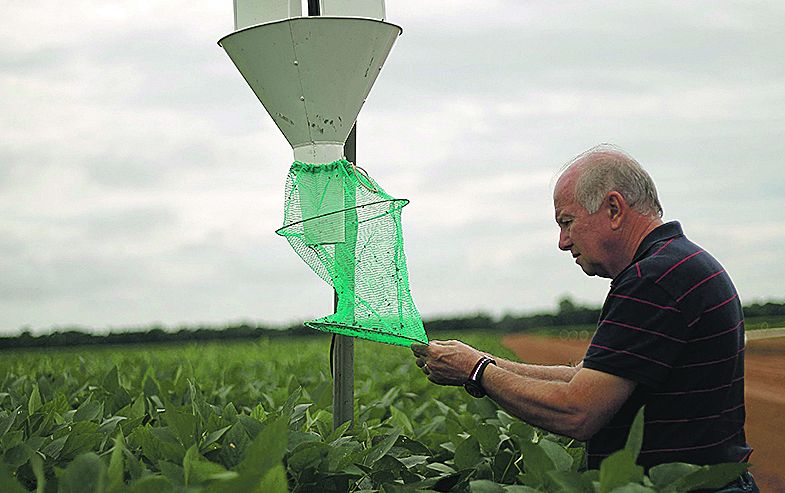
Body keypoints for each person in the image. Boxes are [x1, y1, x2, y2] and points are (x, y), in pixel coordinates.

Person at [412, 145, 757, 492]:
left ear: (613, 208)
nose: (563, 242)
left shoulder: (653, 279)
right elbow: (582, 379)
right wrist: (481, 360)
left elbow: (578, 410)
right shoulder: (677, 263)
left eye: (567, 222)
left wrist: (475, 372)